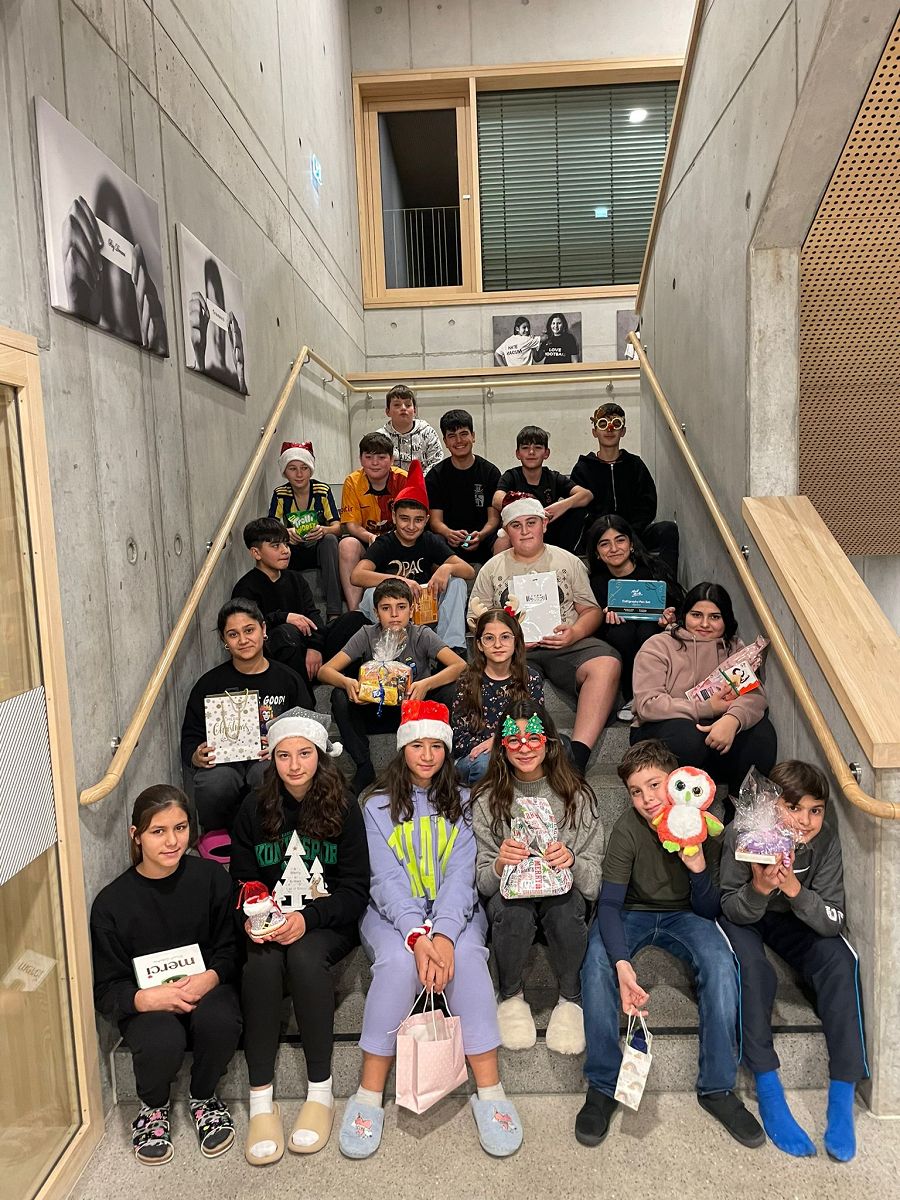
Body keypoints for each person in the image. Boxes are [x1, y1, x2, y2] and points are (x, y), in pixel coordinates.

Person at [337, 700, 524, 1160]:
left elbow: (462, 874)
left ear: (446, 750)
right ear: (402, 748)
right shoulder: (374, 805)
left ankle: (490, 1091)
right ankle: (368, 1093)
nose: (426, 755)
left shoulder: (466, 801)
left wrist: (441, 934)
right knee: (398, 964)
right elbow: (383, 879)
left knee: (469, 959)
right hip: (390, 915)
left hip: (454, 912)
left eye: (436, 746)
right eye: (417, 745)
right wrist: (416, 935)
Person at [577, 740, 765, 1149]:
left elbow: (710, 908)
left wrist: (697, 868)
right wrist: (621, 962)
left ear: (678, 781)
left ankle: (717, 1087)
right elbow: (608, 904)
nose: (647, 799)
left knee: (720, 964)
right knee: (595, 963)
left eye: (654, 785)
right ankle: (603, 1085)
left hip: (687, 914)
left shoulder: (703, 825)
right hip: (632, 911)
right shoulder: (628, 829)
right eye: (635, 791)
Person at [230, 708, 370, 1165]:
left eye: (304, 754)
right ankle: (260, 1100)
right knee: (261, 964)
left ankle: (320, 1091)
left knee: (305, 959)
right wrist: (255, 917)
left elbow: (355, 890)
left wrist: (308, 919)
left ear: (320, 755)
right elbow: (243, 880)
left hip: (326, 922)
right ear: (272, 759)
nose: (294, 765)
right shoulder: (253, 808)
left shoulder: (344, 806)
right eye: (284, 755)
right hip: (269, 923)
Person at [719, 760, 867, 1162]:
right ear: (771, 805)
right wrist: (759, 888)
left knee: (839, 960)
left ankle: (842, 1092)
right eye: (793, 808)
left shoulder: (825, 840)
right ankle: (768, 1086)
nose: (805, 820)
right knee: (755, 972)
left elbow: (832, 919)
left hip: (797, 917)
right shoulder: (742, 832)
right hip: (748, 915)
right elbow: (728, 906)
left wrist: (795, 890)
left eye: (815, 810)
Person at [90, 785, 241, 1166]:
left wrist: (210, 977)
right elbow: (106, 988)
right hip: (149, 1003)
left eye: (181, 828)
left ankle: (204, 1097)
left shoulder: (211, 878)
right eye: (158, 831)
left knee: (221, 1019)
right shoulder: (111, 904)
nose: (173, 841)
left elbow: (230, 948)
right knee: (161, 1038)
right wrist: (146, 998)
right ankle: (153, 1108)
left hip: (208, 987)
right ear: (136, 835)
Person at [472, 702, 602, 1055]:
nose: (525, 747)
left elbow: (594, 884)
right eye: (514, 740)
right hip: (511, 907)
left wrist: (572, 861)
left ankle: (570, 999)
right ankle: (511, 995)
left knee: (566, 906)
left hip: (564, 904)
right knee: (511, 908)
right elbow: (482, 883)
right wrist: (499, 864)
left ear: (549, 742)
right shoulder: (486, 800)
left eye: (533, 738)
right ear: (502, 746)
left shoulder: (577, 797)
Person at [468, 492, 621, 774]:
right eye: (516, 525)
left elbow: (591, 610)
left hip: (564, 643)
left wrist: (574, 632)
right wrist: (505, 638)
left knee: (607, 663)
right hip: (514, 651)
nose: (525, 531)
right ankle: (515, 754)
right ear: (507, 531)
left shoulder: (567, 561)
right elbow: (474, 618)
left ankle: (577, 756)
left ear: (544, 524)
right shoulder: (492, 568)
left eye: (532, 522)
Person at [630, 582, 777, 802]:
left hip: (717, 736)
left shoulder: (735, 649)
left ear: (726, 619)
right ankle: (679, 808)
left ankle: (740, 811)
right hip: (663, 732)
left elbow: (754, 695)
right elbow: (648, 704)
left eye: (715, 617)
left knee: (762, 733)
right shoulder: (659, 645)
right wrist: (706, 708)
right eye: (696, 615)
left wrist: (732, 720)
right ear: (684, 615)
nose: (705, 624)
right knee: (686, 735)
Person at [318, 579, 466, 796]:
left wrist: (426, 684)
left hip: (413, 712)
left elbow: (460, 665)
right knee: (339, 695)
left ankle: (446, 760)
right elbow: (325, 671)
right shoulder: (367, 634)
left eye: (401, 607)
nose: (394, 614)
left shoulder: (421, 634)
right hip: (375, 709)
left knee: (450, 690)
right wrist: (348, 682)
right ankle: (364, 765)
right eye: (386, 608)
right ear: (376, 613)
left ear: (412, 610)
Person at [181, 599, 309, 832]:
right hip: (223, 763)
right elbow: (191, 735)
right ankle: (216, 836)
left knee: (267, 772)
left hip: (269, 758)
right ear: (224, 640)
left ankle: (274, 833)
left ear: (263, 629)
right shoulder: (209, 684)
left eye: (249, 630)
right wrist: (196, 755)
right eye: (233, 634)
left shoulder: (288, 679)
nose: (243, 640)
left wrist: (281, 745)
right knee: (215, 782)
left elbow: (308, 727)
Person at [232, 518, 365, 703]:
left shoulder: (296, 579)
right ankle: (305, 705)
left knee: (355, 619)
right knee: (286, 633)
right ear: (256, 552)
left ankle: (354, 693)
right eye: (276, 546)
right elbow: (248, 626)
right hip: (278, 655)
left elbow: (313, 616)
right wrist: (285, 617)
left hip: (309, 649)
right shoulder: (246, 587)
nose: (285, 551)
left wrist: (315, 647)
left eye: (286, 544)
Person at [352, 460, 473, 651]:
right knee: (370, 594)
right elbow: (357, 576)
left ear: (426, 520)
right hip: (392, 612)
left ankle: (450, 648)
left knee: (457, 583)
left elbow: (469, 571)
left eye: (418, 520)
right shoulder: (385, 542)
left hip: (424, 610)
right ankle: (387, 645)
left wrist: (447, 568)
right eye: (404, 519)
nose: (410, 526)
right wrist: (399, 581)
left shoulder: (429, 540)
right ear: (394, 516)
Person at [586, 514, 685, 723]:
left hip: (654, 633)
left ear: (631, 544)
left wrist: (669, 617)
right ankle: (633, 695)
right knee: (621, 632)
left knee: (647, 631)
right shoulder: (595, 583)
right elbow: (593, 625)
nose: (614, 548)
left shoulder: (654, 570)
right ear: (596, 553)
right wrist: (603, 618)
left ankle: (652, 693)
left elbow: (680, 610)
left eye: (620, 540)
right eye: (605, 544)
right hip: (618, 638)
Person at [61, 180, 168, 354]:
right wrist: (78, 310)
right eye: (108, 262)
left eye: (121, 262)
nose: (117, 276)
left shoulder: (150, 325)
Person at [570, 402, 679, 570]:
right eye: (603, 424)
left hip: (633, 531)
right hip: (598, 535)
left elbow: (647, 504)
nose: (609, 429)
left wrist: (627, 532)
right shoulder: (583, 468)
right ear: (594, 432)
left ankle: (666, 581)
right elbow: (579, 510)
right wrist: (605, 530)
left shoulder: (635, 465)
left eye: (616, 424)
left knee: (668, 529)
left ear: (623, 431)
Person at [450, 607, 544, 786]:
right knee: (486, 764)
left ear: (516, 641)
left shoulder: (530, 678)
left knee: (562, 746)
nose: (498, 644)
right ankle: (484, 803)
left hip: (519, 748)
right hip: (478, 756)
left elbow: (537, 727)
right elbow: (459, 741)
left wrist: (500, 740)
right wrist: (496, 746)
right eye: (489, 638)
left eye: (505, 637)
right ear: (479, 644)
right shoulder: (467, 681)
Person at [267, 441, 343, 620]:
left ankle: (334, 611)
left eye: (304, 468)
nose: (299, 474)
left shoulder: (322, 491)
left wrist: (323, 530)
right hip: (294, 550)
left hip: (319, 549)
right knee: (277, 546)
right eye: (292, 468)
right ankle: (289, 610)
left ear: (311, 470)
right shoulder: (280, 494)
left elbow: (338, 527)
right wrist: (286, 534)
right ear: (284, 472)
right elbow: (270, 528)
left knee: (330, 540)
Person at [493, 425, 592, 554]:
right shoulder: (511, 476)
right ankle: (498, 567)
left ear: (546, 453)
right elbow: (497, 499)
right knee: (504, 535)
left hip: (549, 533)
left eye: (538, 448)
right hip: (521, 532)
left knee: (579, 512)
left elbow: (586, 495)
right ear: (518, 453)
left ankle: (569, 559)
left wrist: (561, 506)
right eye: (525, 448)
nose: (531, 452)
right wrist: (532, 510)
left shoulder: (553, 477)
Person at [339, 432, 408, 611]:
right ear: (360, 459)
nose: (374, 463)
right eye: (368, 457)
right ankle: (355, 612)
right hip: (368, 542)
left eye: (381, 457)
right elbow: (351, 525)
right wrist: (371, 537)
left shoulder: (403, 479)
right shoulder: (352, 482)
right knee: (347, 544)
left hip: (399, 540)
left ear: (392, 459)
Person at [425, 409, 501, 566]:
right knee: (432, 540)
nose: (459, 440)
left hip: (483, 539)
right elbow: (435, 521)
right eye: (452, 436)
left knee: (503, 538)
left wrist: (481, 534)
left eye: (464, 434)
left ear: (473, 436)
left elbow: (493, 519)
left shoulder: (490, 472)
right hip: (449, 542)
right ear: (445, 441)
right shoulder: (435, 476)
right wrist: (448, 533)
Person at [188, 257, 246, 393]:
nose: (217, 331)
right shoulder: (206, 368)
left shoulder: (234, 378)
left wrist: (241, 380)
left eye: (218, 308)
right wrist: (199, 359)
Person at [377, 383, 443, 471]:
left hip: (424, 479)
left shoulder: (428, 433)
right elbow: (376, 467)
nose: (403, 408)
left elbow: (437, 463)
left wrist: (418, 479)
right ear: (387, 411)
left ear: (415, 410)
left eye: (408, 405)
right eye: (397, 405)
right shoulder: (380, 437)